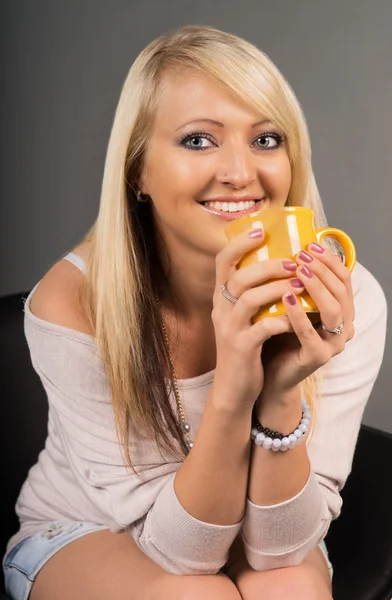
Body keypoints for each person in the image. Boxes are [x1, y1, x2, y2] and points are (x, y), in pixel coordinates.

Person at [2, 24, 387, 600]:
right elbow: (186, 558)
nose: (240, 172)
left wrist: (281, 391)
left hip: (253, 539)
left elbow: (280, 549)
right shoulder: (71, 303)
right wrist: (236, 379)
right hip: (92, 532)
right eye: (199, 140)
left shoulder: (344, 293)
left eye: (265, 139)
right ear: (138, 172)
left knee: (289, 590)